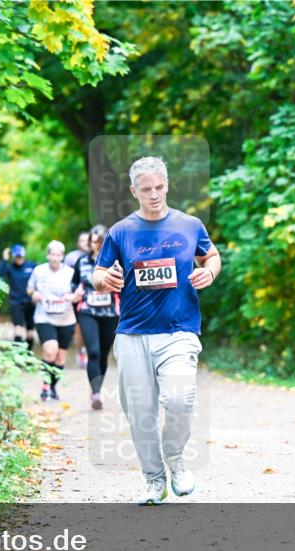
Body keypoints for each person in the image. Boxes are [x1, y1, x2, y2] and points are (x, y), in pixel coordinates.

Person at [93, 156, 221, 505]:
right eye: (146, 190)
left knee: (180, 398)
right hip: (133, 332)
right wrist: (105, 280)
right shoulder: (120, 231)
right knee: (140, 414)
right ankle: (153, 479)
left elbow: (211, 256)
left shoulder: (189, 225)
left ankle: (176, 459)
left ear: (167, 185)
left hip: (179, 330)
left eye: (159, 187)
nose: (154, 195)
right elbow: (97, 273)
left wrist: (209, 272)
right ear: (134, 191)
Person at [72, 224, 119, 410]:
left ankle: (97, 388)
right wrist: (74, 293)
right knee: (93, 351)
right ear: (90, 243)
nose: (97, 245)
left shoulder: (117, 262)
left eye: (101, 241)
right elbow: (73, 284)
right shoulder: (82, 261)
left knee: (104, 353)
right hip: (87, 311)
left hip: (110, 312)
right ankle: (96, 393)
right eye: (94, 241)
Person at [28, 240, 79, 401]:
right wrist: (33, 295)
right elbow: (30, 289)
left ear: (62, 256)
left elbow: (79, 292)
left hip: (66, 318)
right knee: (50, 350)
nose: (55, 257)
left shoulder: (71, 273)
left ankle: (53, 387)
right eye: (52, 254)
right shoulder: (38, 271)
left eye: (58, 255)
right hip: (44, 317)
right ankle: (45, 385)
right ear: (48, 255)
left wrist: (72, 297)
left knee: (60, 357)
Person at [0, 244, 36, 351]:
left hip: (30, 302)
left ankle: (28, 354)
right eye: (17, 256)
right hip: (16, 302)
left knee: (30, 331)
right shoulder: (10, 267)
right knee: (18, 328)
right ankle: (18, 354)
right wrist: (4, 259)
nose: (19, 259)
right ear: (14, 256)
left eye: (20, 256)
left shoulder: (32, 266)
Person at [66, 231, 91, 369]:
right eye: (82, 240)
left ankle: (91, 349)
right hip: (77, 296)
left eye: (87, 240)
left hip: (96, 297)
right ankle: (81, 349)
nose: (85, 243)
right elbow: (67, 278)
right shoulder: (71, 257)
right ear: (78, 243)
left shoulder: (99, 255)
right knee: (79, 325)